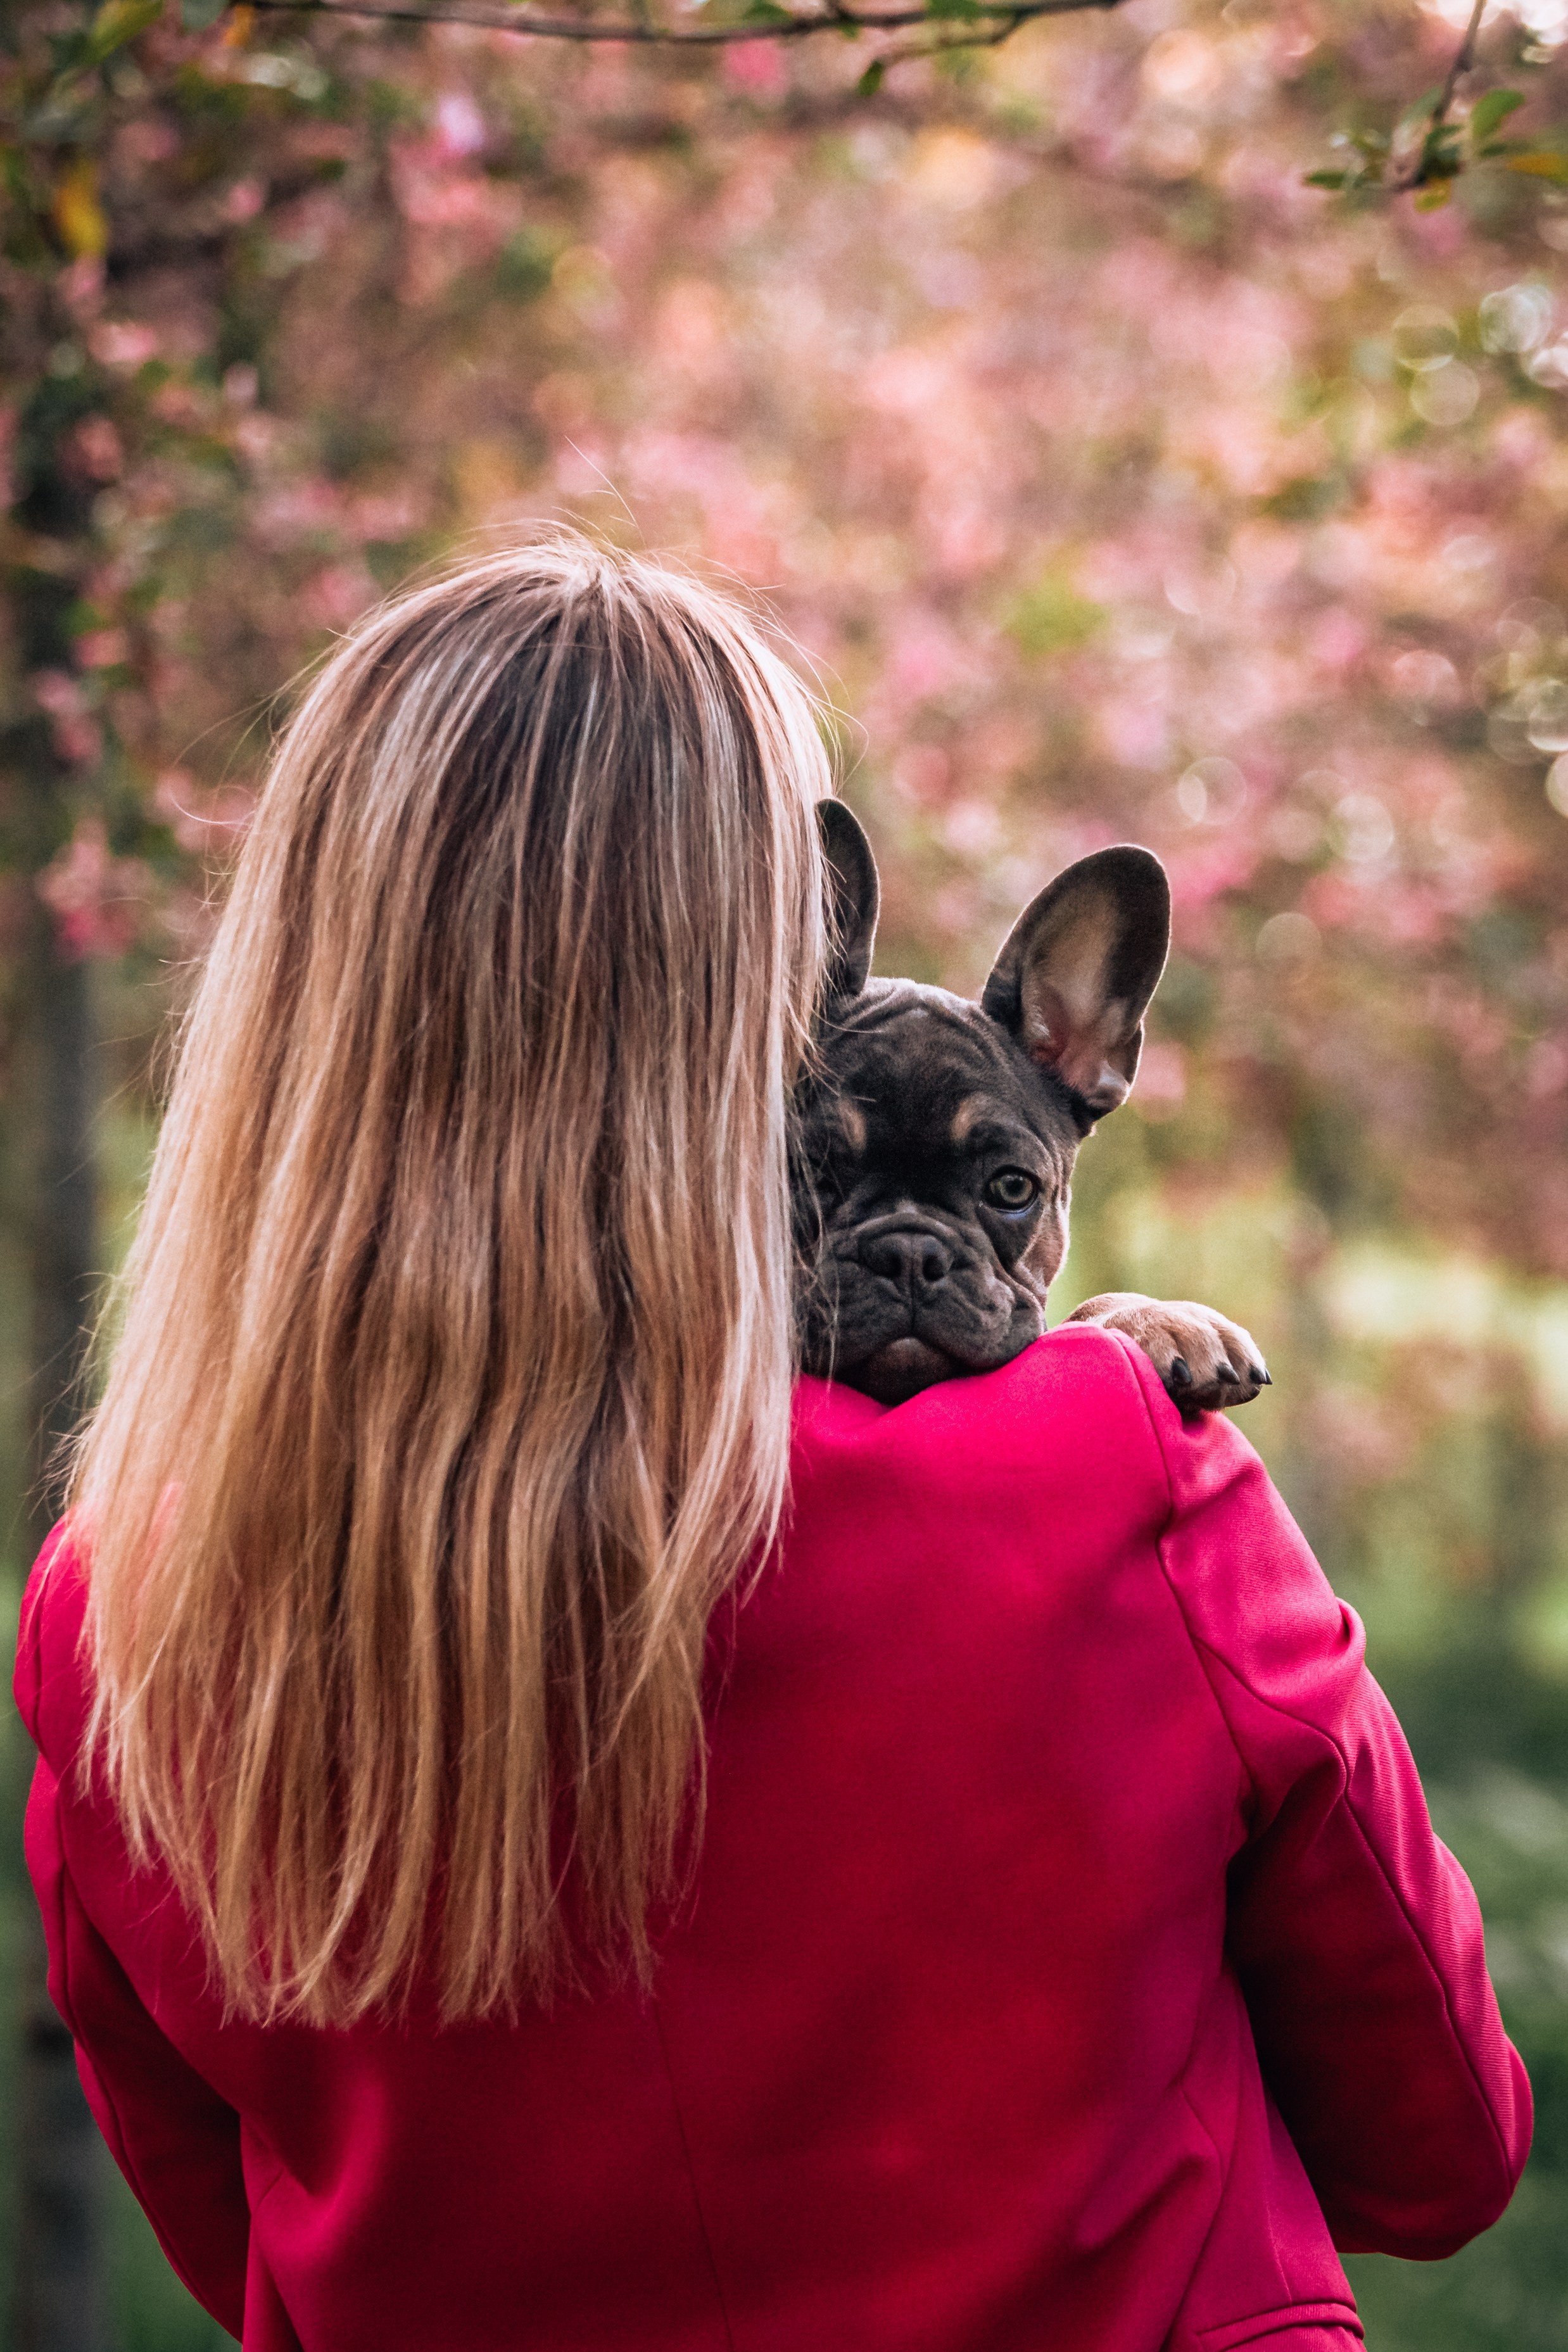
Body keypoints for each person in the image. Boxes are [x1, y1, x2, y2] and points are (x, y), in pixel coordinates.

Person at [16, 542, 1528, 2352]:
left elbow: (226, 2213)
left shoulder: (128, 1612)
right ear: (730, 1008)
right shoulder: (1123, 1477)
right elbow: (1438, 2147)